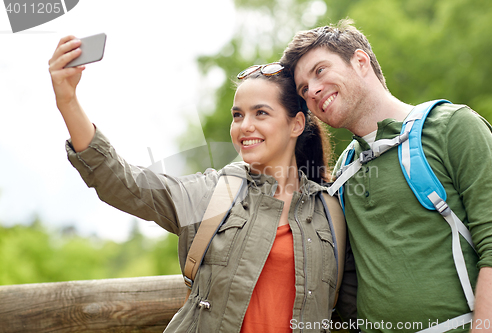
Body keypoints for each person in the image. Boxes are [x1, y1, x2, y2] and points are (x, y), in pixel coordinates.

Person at [48, 36, 354, 332]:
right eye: (238, 115)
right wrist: (68, 100)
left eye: (260, 113)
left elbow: (361, 307)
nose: (244, 126)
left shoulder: (332, 214)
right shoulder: (213, 193)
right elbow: (123, 182)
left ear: (296, 124)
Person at [280, 18, 492, 333]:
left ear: (360, 61)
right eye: (304, 88)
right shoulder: (344, 172)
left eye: (320, 71)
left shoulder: (453, 127)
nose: (312, 90)